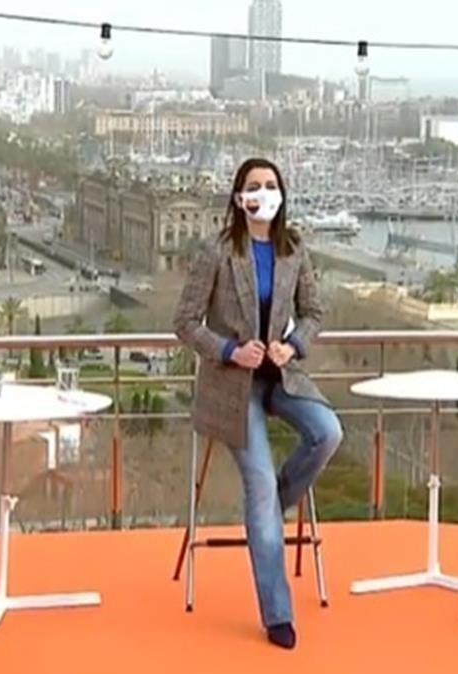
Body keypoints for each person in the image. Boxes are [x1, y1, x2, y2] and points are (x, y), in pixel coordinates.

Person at [173, 157, 343, 649]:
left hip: (282, 377)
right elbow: (185, 322)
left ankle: (269, 508)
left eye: (270, 186)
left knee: (327, 432)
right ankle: (277, 614)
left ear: (281, 194)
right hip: (232, 386)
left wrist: (294, 345)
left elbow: (314, 313)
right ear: (238, 197)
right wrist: (229, 349)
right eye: (253, 186)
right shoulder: (218, 251)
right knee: (259, 483)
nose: (262, 193)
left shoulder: (293, 249)